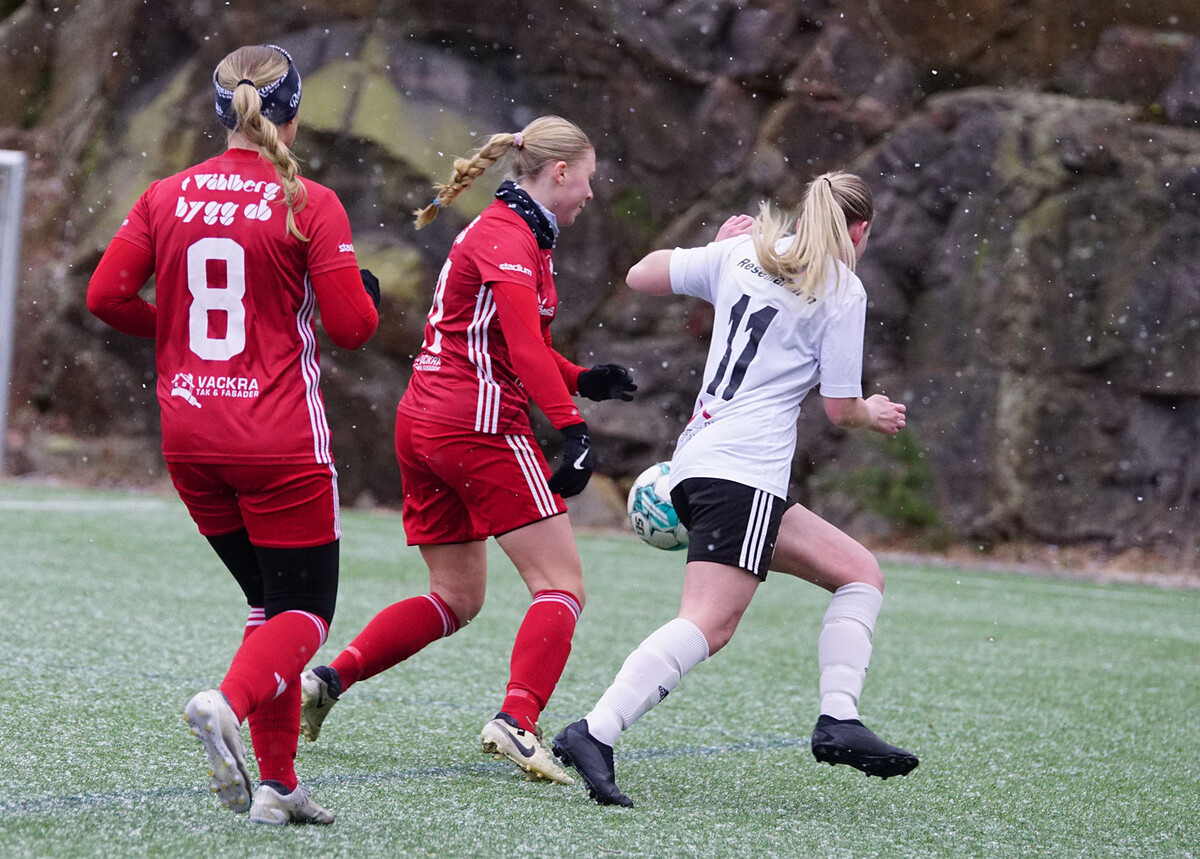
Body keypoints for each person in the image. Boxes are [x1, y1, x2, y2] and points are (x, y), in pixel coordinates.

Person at [551, 171, 918, 807]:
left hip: (700, 463)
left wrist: (716, 249)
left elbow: (640, 274)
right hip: (743, 474)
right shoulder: (842, 288)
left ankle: (839, 719)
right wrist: (874, 412)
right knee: (709, 623)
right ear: (859, 230)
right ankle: (594, 731)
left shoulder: (743, 252)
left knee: (860, 574)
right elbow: (840, 409)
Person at [87, 44, 380, 825]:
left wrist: (176, 337)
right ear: (293, 110)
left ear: (220, 112)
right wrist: (365, 292)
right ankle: (228, 702)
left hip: (190, 436)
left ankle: (278, 785)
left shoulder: (165, 194)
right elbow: (353, 328)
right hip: (277, 439)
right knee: (306, 611)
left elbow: (105, 295)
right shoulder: (309, 201)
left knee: (267, 601)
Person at [297, 116, 637, 785]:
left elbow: (509, 341)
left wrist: (581, 379)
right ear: (559, 173)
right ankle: (517, 720)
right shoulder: (509, 235)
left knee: (455, 596)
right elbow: (521, 345)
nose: (590, 194)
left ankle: (327, 680)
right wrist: (573, 428)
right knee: (561, 584)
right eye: (587, 179)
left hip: (425, 419)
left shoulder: (513, 230)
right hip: (474, 424)